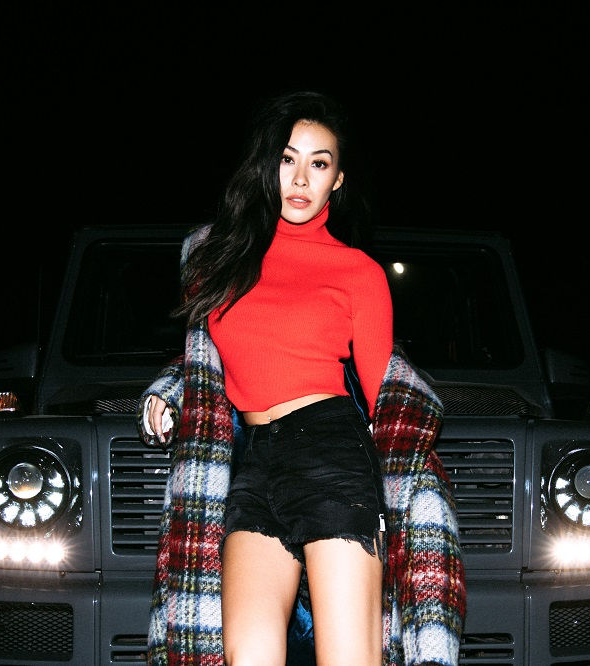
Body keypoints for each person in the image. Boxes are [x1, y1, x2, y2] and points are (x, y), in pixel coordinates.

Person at [138, 90, 465, 666]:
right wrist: (169, 389)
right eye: (287, 159)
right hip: (252, 464)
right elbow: (202, 356)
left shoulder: (358, 273)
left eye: (319, 163)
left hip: (331, 455)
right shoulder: (220, 258)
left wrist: (406, 493)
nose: (300, 178)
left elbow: (383, 394)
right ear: (267, 165)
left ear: (337, 180)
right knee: (244, 657)